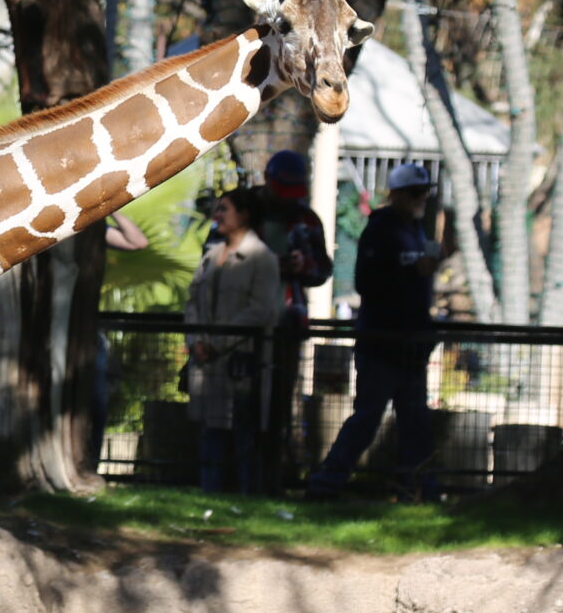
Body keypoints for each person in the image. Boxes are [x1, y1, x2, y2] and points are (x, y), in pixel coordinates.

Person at [306, 162, 441, 500]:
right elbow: (368, 283)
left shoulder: (416, 230)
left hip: (409, 345)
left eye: (423, 193)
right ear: (394, 194)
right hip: (381, 344)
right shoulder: (380, 230)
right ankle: (326, 483)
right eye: (414, 193)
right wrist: (411, 270)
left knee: (415, 422)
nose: (420, 199)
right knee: (368, 417)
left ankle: (416, 488)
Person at [186, 188, 282, 492]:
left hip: (243, 366)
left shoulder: (262, 258)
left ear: (244, 214)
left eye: (224, 209)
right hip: (207, 367)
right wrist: (195, 342)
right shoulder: (211, 256)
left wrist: (218, 343)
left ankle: (247, 498)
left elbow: (262, 310)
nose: (217, 216)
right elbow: (193, 303)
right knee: (210, 433)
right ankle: (208, 494)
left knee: (244, 434)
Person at [255, 148, 333, 485]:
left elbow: (323, 269)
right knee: (243, 401)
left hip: (287, 320)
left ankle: (272, 476)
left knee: (280, 401)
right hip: (244, 319)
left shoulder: (307, 218)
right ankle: (237, 474)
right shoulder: (243, 208)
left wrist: (304, 267)